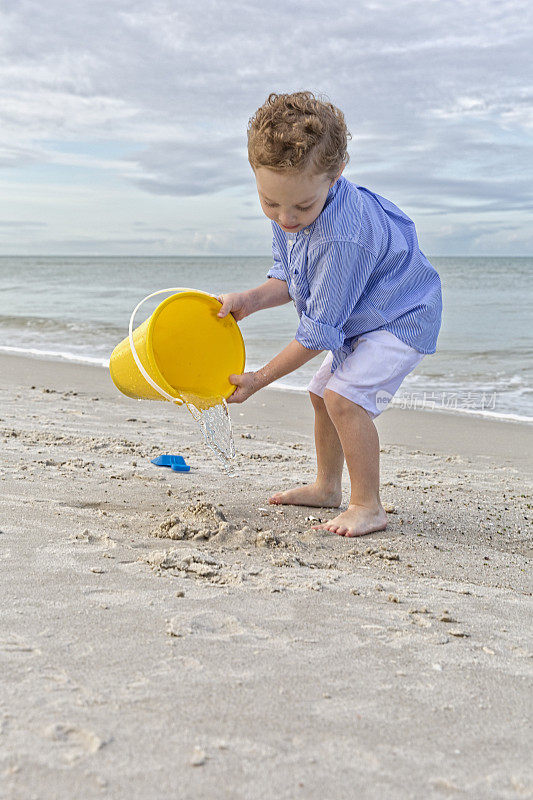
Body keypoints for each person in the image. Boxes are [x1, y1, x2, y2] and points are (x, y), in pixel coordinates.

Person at [217, 91, 442, 537]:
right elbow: (291, 278)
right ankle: (327, 487)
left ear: (336, 175)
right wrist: (251, 299)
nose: (284, 218)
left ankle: (368, 505)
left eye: (301, 207)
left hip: (401, 315)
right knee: (321, 393)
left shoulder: (341, 237)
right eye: (269, 203)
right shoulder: (292, 206)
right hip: (365, 314)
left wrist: (259, 378)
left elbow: (318, 332)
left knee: (345, 398)